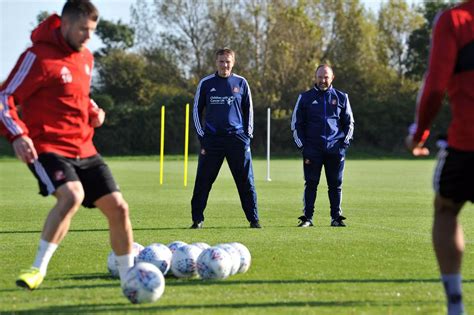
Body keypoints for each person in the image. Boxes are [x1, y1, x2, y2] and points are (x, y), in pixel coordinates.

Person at [0, 0, 134, 290]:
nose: (89, 37)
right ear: (66, 23)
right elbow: (5, 97)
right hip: (47, 146)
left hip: (85, 148)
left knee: (119, 208)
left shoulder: (85, 58)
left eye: (92, 31)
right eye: (84, 30)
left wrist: (93, 112)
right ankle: (37, 269)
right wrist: (18, 135)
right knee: (72, 195)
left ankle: (130, 280)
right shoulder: (37, 56)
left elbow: (79, 96)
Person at [406, 1, 474, 314]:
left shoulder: (455, 19)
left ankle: (455, 304)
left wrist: (419, 134)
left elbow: (435, 87)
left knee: (446, 211)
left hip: (467, 143)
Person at [191, 48, 261, 229]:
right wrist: (203, 138)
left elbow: (249, 111)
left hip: (237, 139)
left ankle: (254, 220)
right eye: (221, 61)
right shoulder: (206, 83)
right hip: (212, 141)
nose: (225, 65)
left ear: (233, 62)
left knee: (246, 181)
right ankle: (197, 220)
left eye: (228, 61)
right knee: (203, 181)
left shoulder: (241, 82)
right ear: (216, 62)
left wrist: (247, 136)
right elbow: (196, 111)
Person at [291, 64, 354, 227]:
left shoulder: (342, 97)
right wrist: (303, 146)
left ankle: (336, 218)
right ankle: (307, 218)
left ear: (332, 78)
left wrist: (344, 144)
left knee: (335, 185)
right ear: (315, 77)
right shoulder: (304, 98)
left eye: (326, 77)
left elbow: (349, 123)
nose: (322, 80)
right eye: (320, 77)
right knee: (311, 183)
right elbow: (296, 124)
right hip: (312, 150)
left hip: (335, 150)